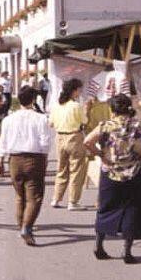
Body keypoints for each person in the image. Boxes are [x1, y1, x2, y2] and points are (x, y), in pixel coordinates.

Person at [84, 94, 141, 263]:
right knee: (132, 209)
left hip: (110, 172)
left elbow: (87, 142)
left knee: (105, 208)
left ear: (112, 109)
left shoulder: (105, 126)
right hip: (135, 172)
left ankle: (99, 246)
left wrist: (101, 155)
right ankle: (127, 252)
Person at [0, 86, 51, 246]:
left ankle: (22, 225)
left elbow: (3, 141)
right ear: (33, 100)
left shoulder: (8, 119)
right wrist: (45, 158)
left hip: (14, 159)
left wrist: (0, 160)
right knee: (34, 196)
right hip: (34, 158)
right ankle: (27, 227)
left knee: (20, 195)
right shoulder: (41, 118)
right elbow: (45, 142)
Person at [49, 79, 90, 210]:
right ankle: (73, 201)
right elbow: (84, 121)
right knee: (76, 170)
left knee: (61, 169)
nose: (80, 92)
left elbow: (51, 123)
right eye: (79, 89)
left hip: (60, 137)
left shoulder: (57, 105)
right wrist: (87, 110)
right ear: (74, 90)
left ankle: (56, 197)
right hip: (74, 136)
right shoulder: (75, 106)